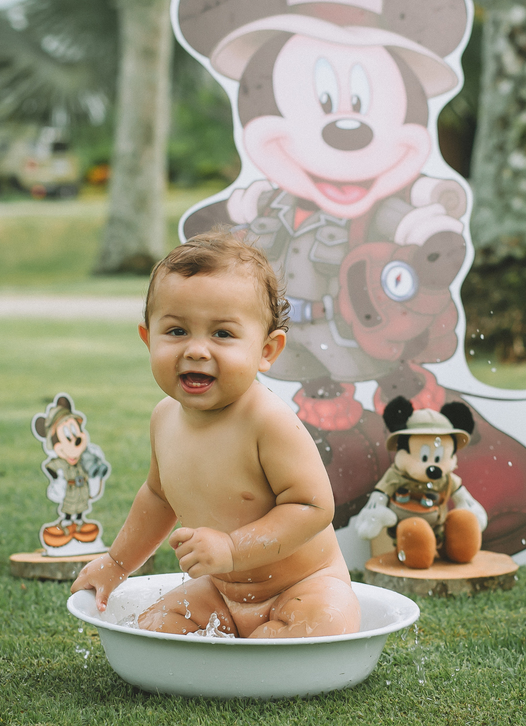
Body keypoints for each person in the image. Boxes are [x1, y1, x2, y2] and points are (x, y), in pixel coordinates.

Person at [71, 231, 361, 639]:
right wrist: (117, 563)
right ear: (147, 338)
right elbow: (157, 497)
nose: (196, 350)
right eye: (176, 331)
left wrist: (231, 549)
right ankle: (229, 655)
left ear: (267, 350)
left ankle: (263, 651)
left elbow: (313, 507)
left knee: (327, 619)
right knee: (154, 627)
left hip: (300, 588)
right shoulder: (164, 418)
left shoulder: (268, 421)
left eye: (222, 334)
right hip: (222, 593)